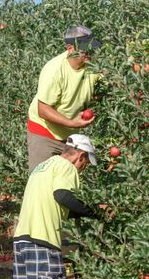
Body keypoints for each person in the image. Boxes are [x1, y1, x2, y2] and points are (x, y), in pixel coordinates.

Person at [12, 134, 99, 279]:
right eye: (86, 163)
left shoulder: (43, 167)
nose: (84, 168)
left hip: (22, 239)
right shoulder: (66, 168)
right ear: (80, 156)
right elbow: (62, 196)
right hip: (43, 240)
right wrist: (94, 212)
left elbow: (54, 205)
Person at [26, 26, 102, 172]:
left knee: (67, 182)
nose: (89, 52)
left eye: (91, 47)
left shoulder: (92, 66)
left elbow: (111, 85)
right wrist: (72, 123)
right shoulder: (55, 70)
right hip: (45, 132)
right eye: (85, 48)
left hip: (70, 135)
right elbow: (43, 110)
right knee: (42, 178)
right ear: (70, 48)